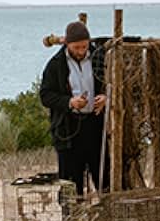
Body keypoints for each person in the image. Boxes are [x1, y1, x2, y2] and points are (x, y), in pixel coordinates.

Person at [39, 20, 108, 195]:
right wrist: (70, 102)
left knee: (104, 178)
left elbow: (114, 83)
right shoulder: (55, 64)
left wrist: (107, 97)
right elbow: (45, 95)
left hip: (96, 126)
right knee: (70, 183)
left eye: (84, 47)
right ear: (67, 44)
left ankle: (105, 219)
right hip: (68, 130)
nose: (81, 51)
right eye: (76, 48)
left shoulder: (101, 57)